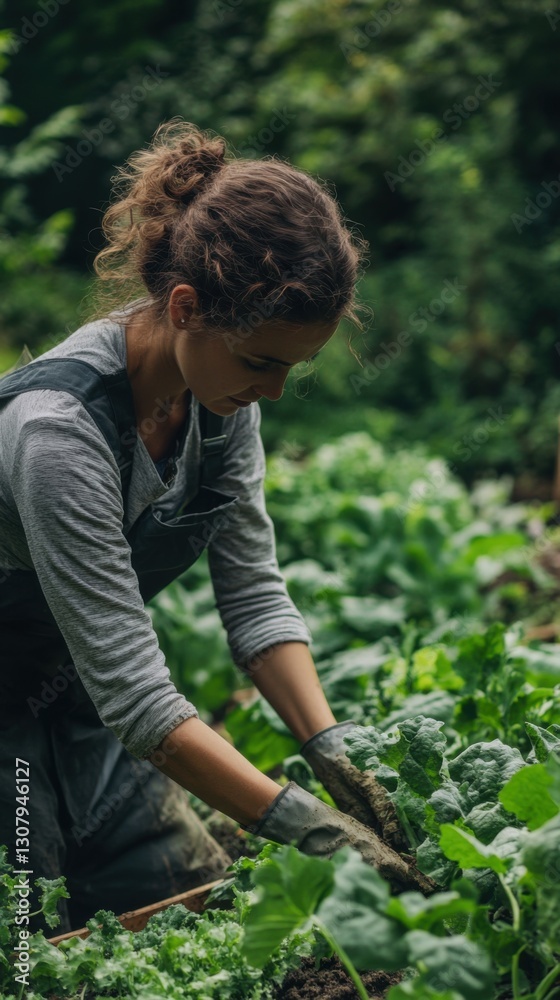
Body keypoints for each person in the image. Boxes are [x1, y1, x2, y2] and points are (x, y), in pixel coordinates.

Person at [0, 119, 403, 936]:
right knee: (29, 940)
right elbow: (137, 692)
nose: (275, 392)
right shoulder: (57, 433)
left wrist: (331, 749)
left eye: (292, 367)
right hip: (45, 700)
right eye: (262, 363)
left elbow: (254, 598)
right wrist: (303, 824)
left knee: (192, 906)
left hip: (80, 695)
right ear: (185, 307)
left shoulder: (219, 400)